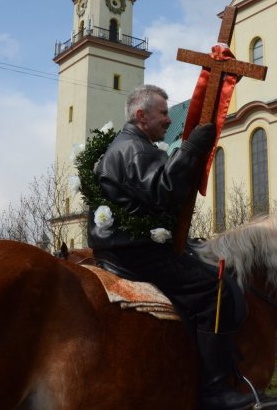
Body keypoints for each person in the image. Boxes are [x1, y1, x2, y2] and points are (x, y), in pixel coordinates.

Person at [88, 85, 255, 410]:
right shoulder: (135, 150)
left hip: (119, 247)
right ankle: (215, 390)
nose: (168, 120)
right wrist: (191, 148)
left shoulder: (124, 146)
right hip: (138, 252)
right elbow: (164, 190)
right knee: (215, 290)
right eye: (163, 113)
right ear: (141, 115)